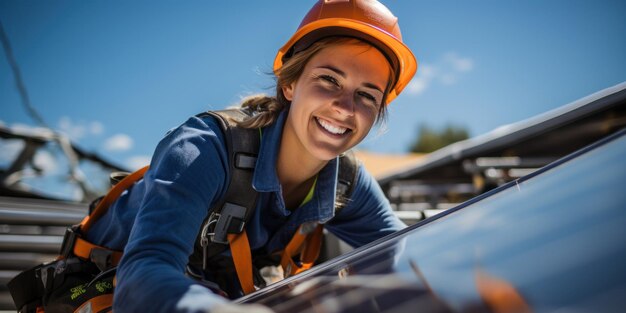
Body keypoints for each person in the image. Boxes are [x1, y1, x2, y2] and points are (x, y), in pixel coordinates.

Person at [87, 0, 417, 312]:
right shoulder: (203, 149)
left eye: (367, 96)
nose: (345, 107)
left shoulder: (346, 183)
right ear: (290, 84)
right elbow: (140, 276)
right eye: (329, 80)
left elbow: (404, 258)